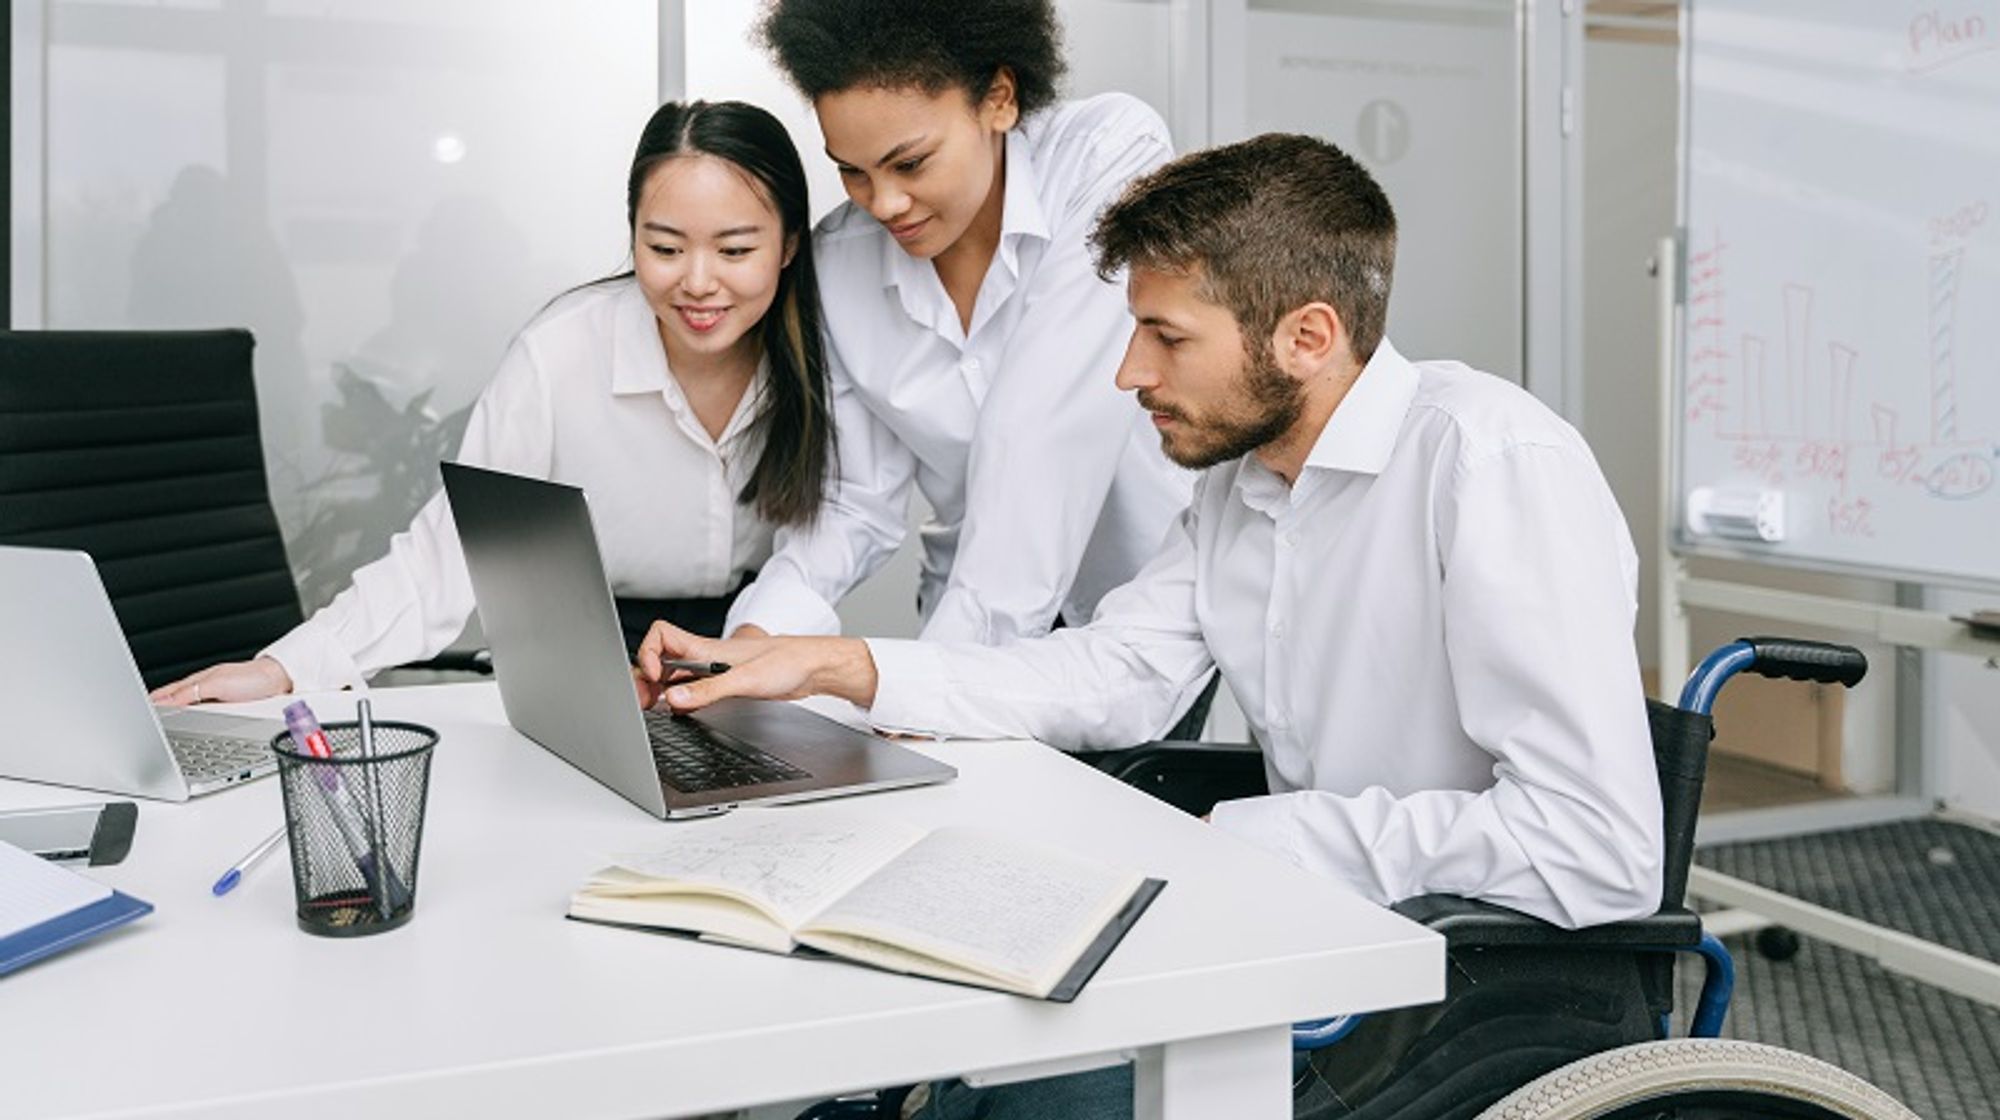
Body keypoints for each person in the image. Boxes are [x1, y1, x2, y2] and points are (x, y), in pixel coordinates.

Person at [635, 134, 1664, 1117]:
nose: (1128, 373)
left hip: (1469, 995)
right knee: (973, 1069)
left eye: (1165, 336)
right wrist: (838, 665)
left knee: (1030, 1099)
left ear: (1306, 336)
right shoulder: (1241, 487)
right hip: (1313, 940)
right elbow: (1119, 670)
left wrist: (1271, 834)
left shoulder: (1486, 464)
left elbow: (1594, 846)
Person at [152, 100, 834, 705]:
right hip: (595, 674)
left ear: (788, 247)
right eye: (664, 247)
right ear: (632, 237)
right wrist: (284, 669)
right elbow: (444, 557)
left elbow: (836, 541)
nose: (698, 281)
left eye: (736, 249)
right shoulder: (559, 356)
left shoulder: (827, 360)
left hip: (761, 664)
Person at [728, 1, 1198, 690]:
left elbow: (1044, 433)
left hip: (1133, 617)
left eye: (910, 163)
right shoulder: (840, 260)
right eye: (852, 172)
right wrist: (756, 636)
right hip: (960, 612)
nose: (884, 203)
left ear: (999, 98)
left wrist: (930, 690)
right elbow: (858, 497)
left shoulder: (1105, 155)